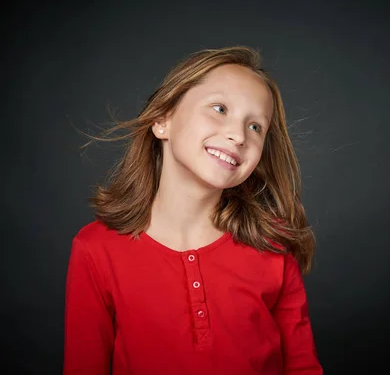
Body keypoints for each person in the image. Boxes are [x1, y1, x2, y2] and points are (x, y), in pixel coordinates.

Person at [63, 46, 323, 374]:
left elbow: (302, 365)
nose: (238, 135)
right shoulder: (95, 249)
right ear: (162, 120)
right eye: (219, 108)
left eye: (256, 126)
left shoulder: (273, 242)